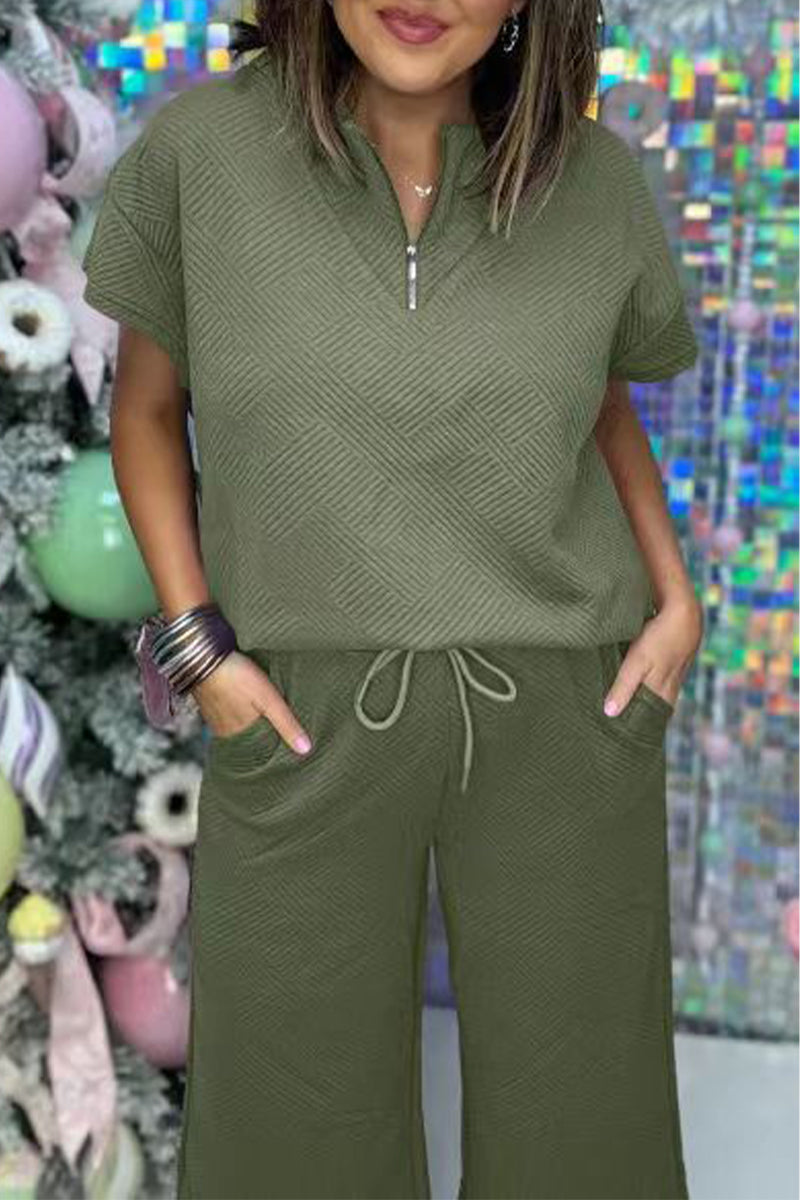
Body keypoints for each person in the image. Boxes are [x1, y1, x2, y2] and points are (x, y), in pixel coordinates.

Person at [81, 2, 704, 1197]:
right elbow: (147, 412)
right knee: (288, 1131)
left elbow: (600, 405)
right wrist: (200, 650)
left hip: (562, 702)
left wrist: (674, 599)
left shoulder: (594, 181)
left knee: (582, 1126)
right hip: (297, 714)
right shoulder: (199, 156)